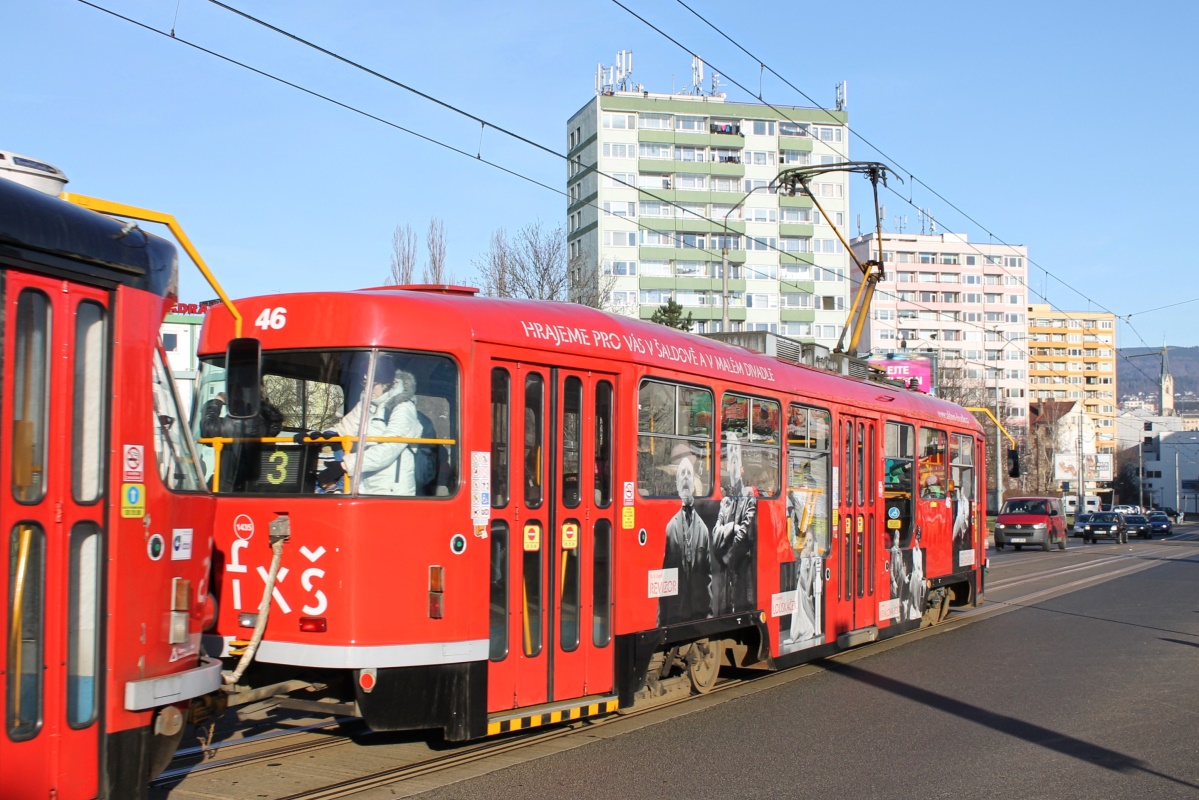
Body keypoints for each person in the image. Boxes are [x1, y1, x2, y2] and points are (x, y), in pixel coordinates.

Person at [320, 358, 426, 496]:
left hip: (392, 492)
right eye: (364, 384)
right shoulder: (366, 404)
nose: (367, 389)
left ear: (387, 383)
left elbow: (388, 449)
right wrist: (322, 436)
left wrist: (344, 466)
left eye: (373, 384)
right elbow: (345, 428)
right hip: (364, 485)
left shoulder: (403, 408)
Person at [658, 455, 712, 626]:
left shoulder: (703, 528)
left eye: (690, 473)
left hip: (697, 610)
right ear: (677, 483)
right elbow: (663, 576)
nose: (686, 477)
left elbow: (708, 576)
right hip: (675, 611)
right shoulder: (669, 527)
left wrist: (709, 616)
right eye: (682, 474)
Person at [200, 383, 284, 492]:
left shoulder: (237, 422)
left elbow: (208, 430)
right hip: (260, 487)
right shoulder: (268, 421)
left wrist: (217, 401)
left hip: (230, 487)